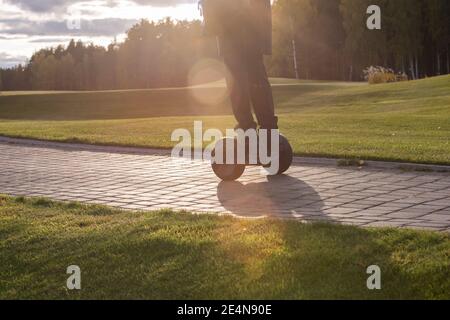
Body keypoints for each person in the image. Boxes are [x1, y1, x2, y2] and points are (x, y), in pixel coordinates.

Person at [200, 0, 278, 131]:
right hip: (242, 30)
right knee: (252, 79)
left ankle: (250, 127)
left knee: (242, 82)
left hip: (237, 30)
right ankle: (263, 126)